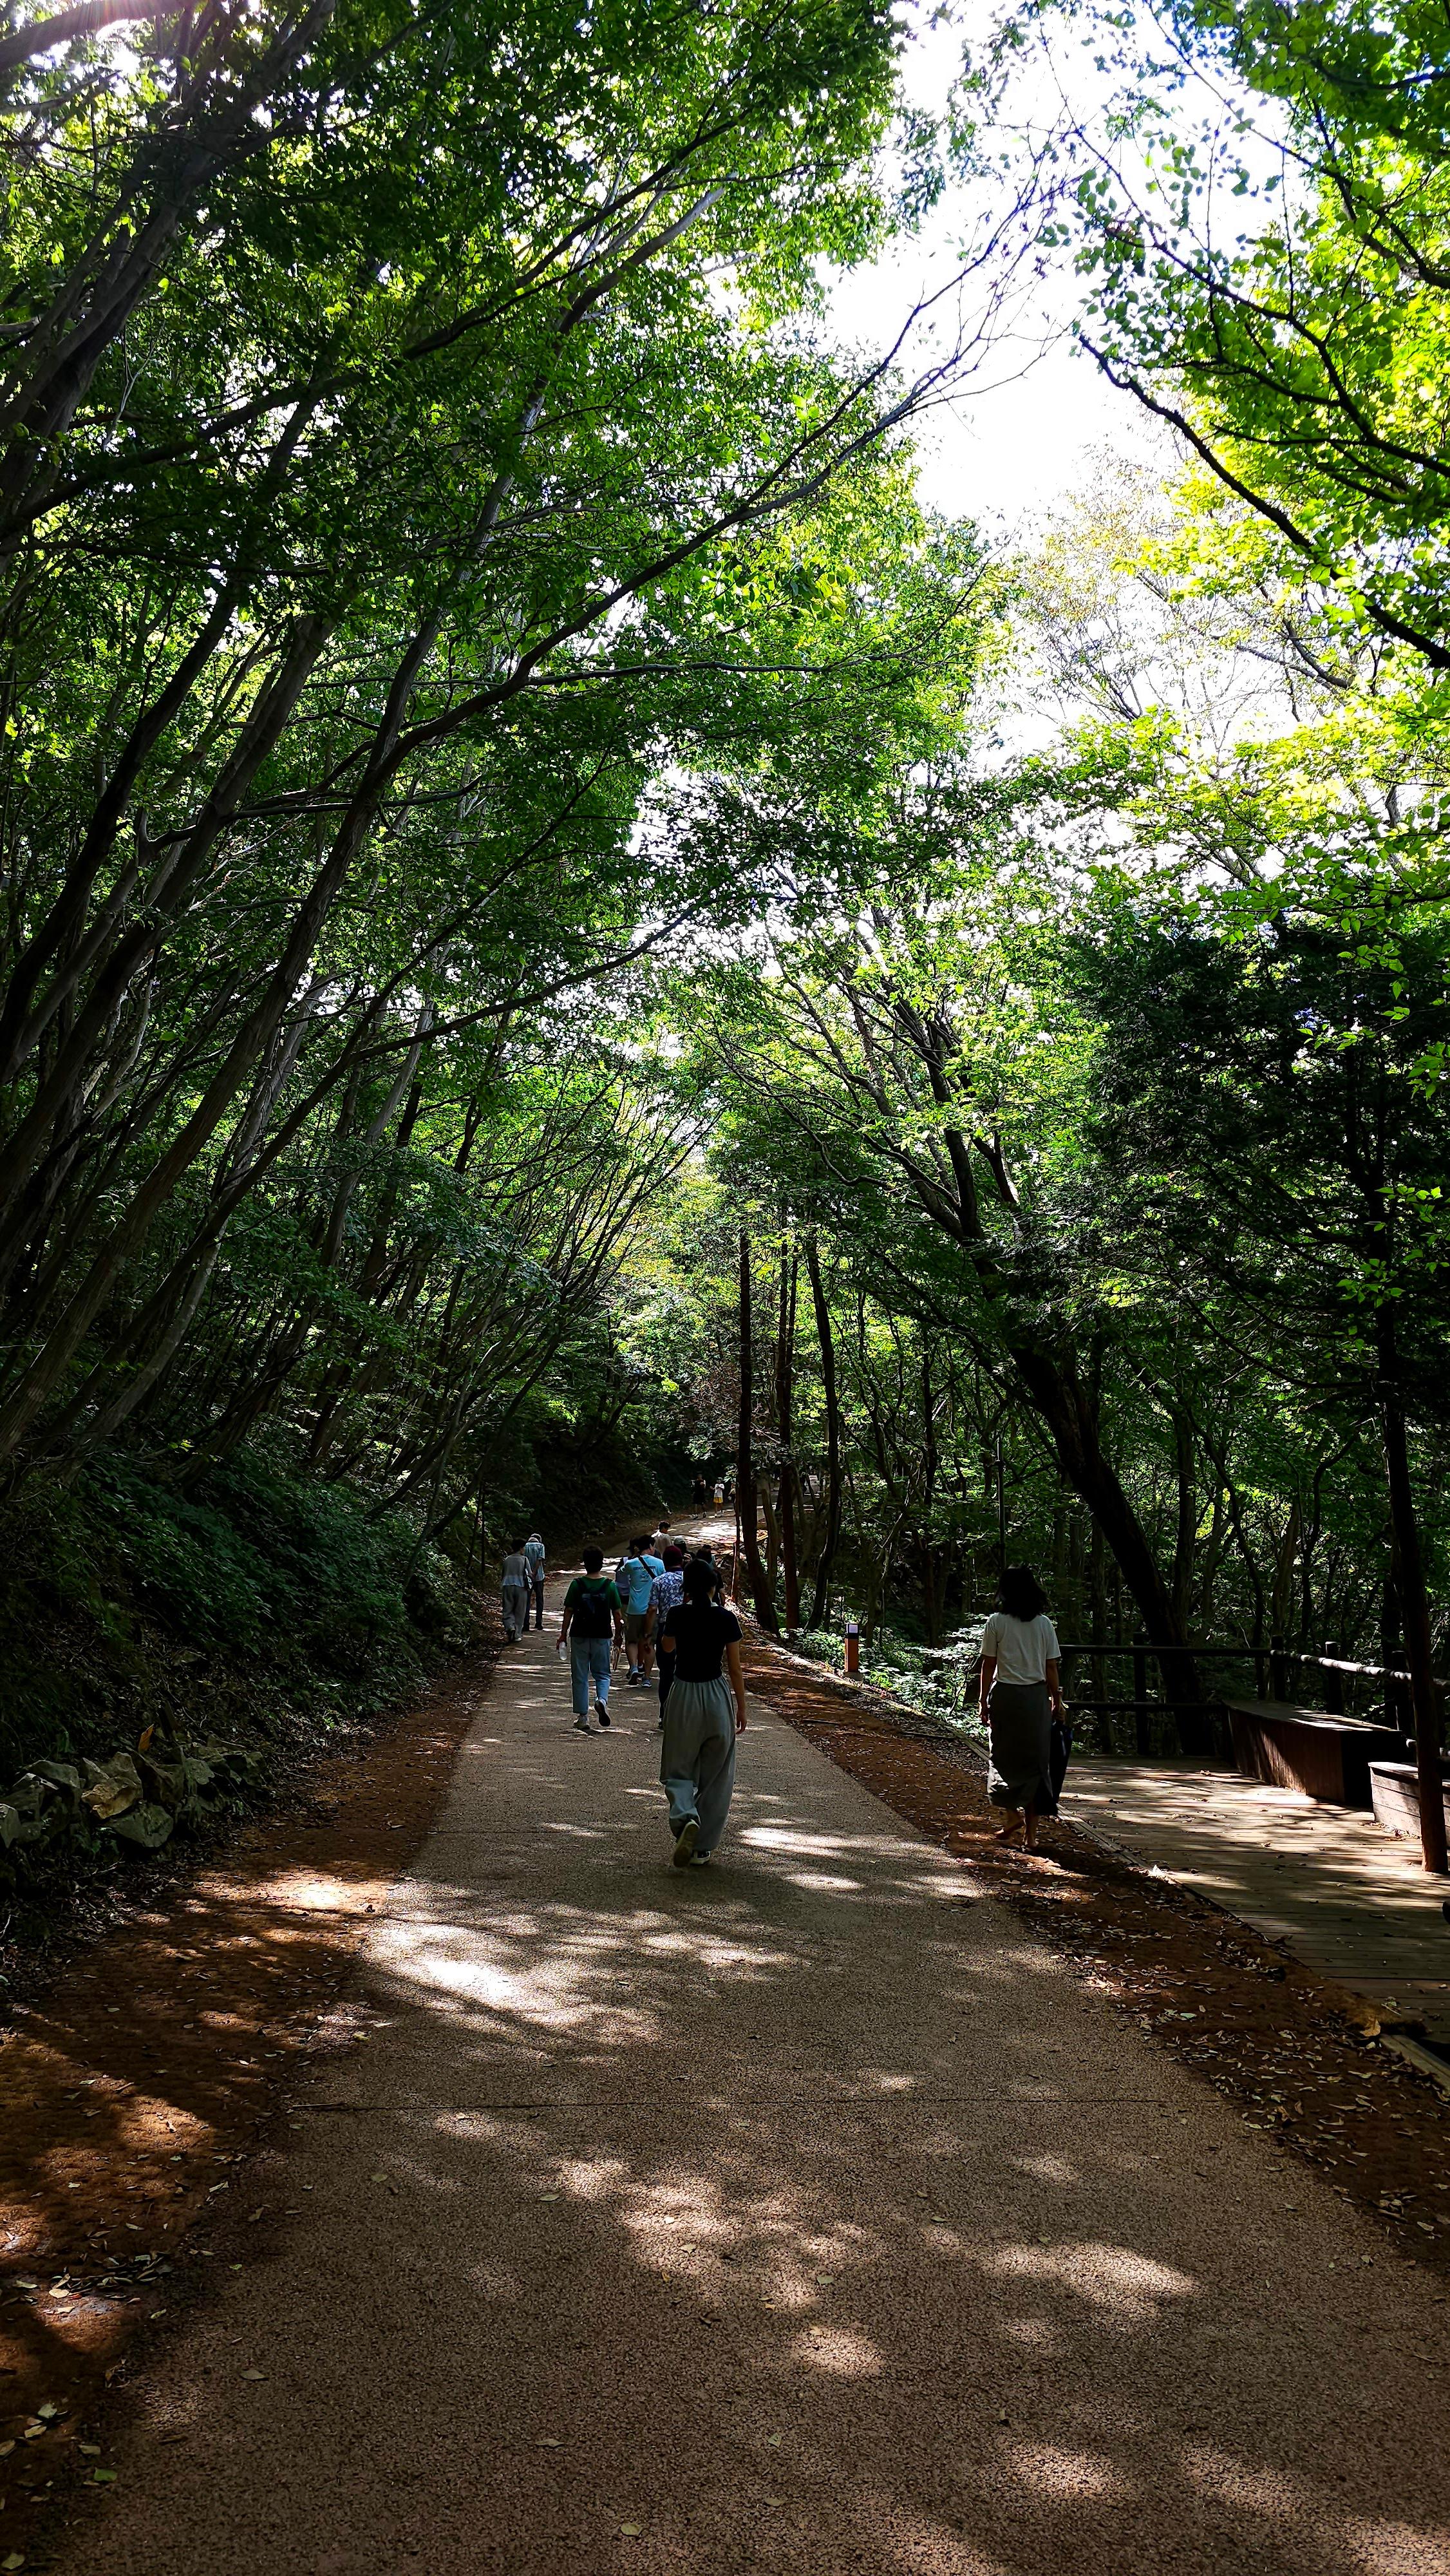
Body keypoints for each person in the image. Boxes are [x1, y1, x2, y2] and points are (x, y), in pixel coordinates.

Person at [658, 1558, 746, 1867]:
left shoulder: (677, 1614)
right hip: (716, 1695)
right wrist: (741, 1707)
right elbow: (735, 1669)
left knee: (678, 1768)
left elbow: (667, 1648)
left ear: (687, 1587)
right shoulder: (726, 1618)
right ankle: (702, 1848)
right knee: (717, 1774)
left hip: (684, 1693)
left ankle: (686, 1817)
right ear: (714, 1586)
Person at [978, 1564, 1062, 1852]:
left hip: (1006, 1696)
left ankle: (1011, 1814)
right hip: (1035, 1699)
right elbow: (1051, 1667)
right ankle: (1031, 1836)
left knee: (1002, 1757)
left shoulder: (996, 1622)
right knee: (1036, 1765)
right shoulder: (1044, 1624)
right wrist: (1057, 1699)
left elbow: (989, 1664)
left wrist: (983, 1701)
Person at [558, 1547, 624, 1732]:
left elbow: (569, 1611)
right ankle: (601, 1700)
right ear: (602, 1563)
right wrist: (618, 1636)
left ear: (585, 1564)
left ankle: (583, 1717)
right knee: (602, 1673)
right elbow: (617, 1614)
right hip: (602, 1636)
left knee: (580, 1675)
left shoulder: (576, 1585)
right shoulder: (610, 1586)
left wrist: (563, 1634)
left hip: (579, 1634)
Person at [645, 1544, 686, 1727]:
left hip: (665, 1629)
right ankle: (683, 1715)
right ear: (681, 1560)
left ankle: (665, 1714)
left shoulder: (659, 1582)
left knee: (666, 1674)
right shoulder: (689, 1579)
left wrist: (648, 1634)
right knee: (685, 1672)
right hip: (687, 1630)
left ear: (664, 1562)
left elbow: (652, 1609)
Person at [616, 1536, 663, 1685]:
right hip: (652, 1609)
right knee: (649, 1643)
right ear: (650, 1547)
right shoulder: (659, 1563)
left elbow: (621, 1572)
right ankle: (647, 1678)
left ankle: (634, 1668)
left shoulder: (631, 1563)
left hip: (634, 1608)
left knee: (632, 1641)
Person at [500, 1538, 530, 1645]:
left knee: (507, 1609)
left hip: (507, 1585)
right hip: (521, 1587)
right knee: (520, 1611)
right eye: (524, 1548)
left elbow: (503, 1574)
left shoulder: (507, 1560)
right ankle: (517, 1635)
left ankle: (510, 1627)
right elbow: (529, 1574)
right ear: (521, 1548)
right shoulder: (525, 1560)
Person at [523, 1531, 547, 1631]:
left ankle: (526, 1624)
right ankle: (539, 1623)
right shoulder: (541, 1546)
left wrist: (530, 1573)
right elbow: (539, 1560)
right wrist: (535, 1572)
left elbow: (523, 1561)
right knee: (539, 1599)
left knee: (526, 1600)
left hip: (527, 1577)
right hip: (539, 1577)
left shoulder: (524, 1546)